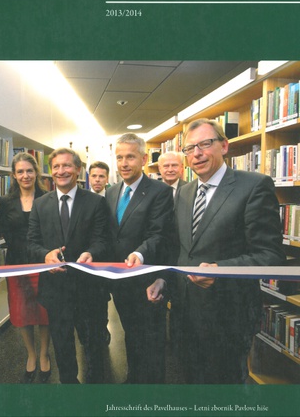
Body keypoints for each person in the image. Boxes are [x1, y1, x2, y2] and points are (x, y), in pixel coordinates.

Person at [147, 118, 286, 384]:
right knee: (190, 383)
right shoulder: (184, 192)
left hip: (227, 316)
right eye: (190, 148)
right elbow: (179, 248)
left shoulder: (254, 186)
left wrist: (220, 270)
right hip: (184, 314)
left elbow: (271, 255)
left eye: (205, 144)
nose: (197, 153)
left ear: (224, 146)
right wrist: (163, 279)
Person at [27, 148, 108, 384]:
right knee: (62, 347)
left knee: (93, 347)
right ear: (50, 171)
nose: (61, 171)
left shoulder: (96, 202)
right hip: (56, 290)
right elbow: (31, 242)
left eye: (66, 166)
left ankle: (95, 390)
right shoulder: (40, 204)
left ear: (78, 170)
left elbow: (103, 240)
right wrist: (45, 255)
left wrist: (91, 253)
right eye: (56, 167)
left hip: (89, 289)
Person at [105, 133, 175, 383]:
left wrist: (139, 253)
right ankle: (133, 379)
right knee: (131, 335)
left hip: (148, 281)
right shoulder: (111, 192)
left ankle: (153, 391)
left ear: (144, 159)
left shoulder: (160, 192)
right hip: (120, 283)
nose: (123, 163)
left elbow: (160, 234)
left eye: (130, 157)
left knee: (152, 340)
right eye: (119, 157)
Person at [0, 152, 51, 383]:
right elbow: (5, 233)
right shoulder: (6, 202)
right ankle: (31, 354)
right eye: (20, 171)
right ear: (13, 175)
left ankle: (44, 353)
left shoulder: (47, 198)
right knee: (22, 313)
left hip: (43, 264)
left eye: (29, 170)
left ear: (36, 173)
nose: (25, 175)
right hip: (17, 266)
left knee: (44, 312)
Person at [88, 161, 111, 345]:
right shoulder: (82, 199)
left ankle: (103, 328)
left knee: (103, 298)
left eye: (101, 176)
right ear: (89, 178)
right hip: (87, 257)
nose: (97, 180)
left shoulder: (113, 198)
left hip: (109, 257)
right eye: (94, 176)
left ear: (107, 179)